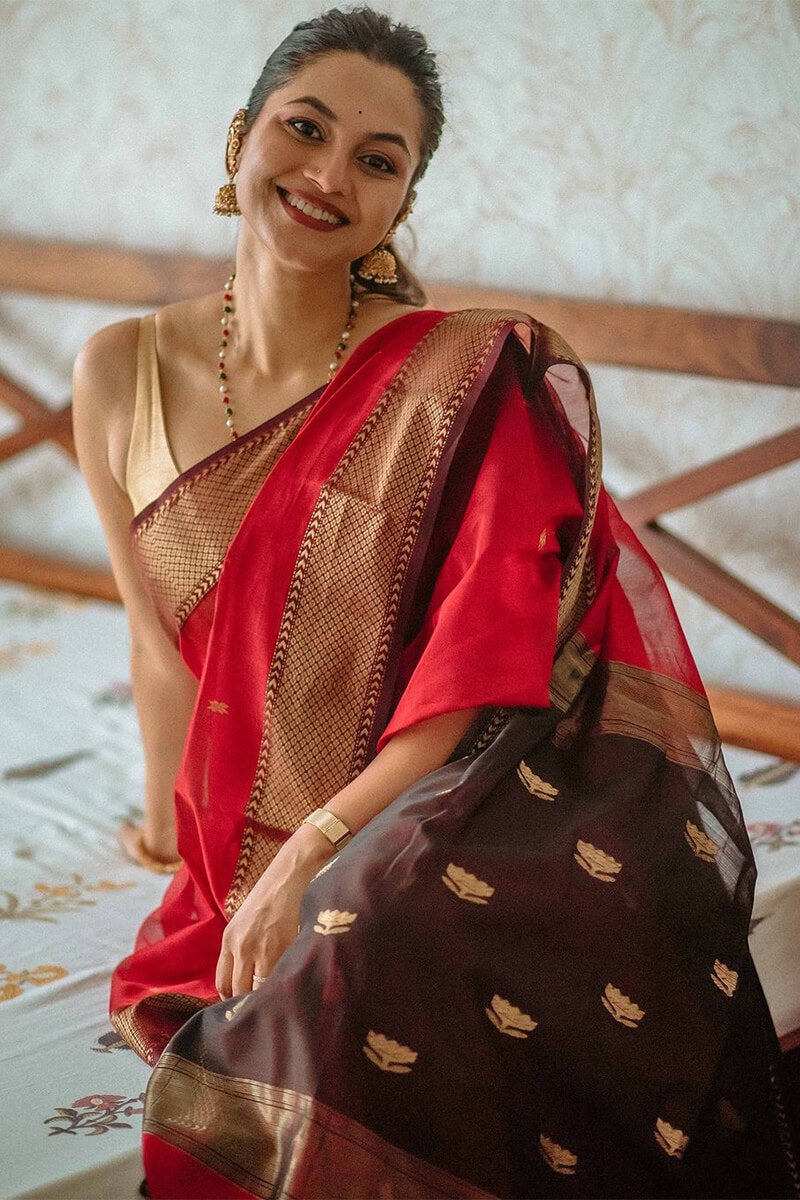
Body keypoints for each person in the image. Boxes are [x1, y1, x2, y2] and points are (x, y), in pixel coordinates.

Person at [71, 6, 799, 1198]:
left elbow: (478, 667)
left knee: (376, 949)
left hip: (435, 796)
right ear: (238, 138)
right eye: (301, 130)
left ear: (401, 204)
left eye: (376, 159)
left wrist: (313, 845)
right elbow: (160, 653)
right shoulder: (118, 369)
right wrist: (174, 846)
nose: (327, 175)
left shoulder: (457, 386)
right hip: (234, 835)